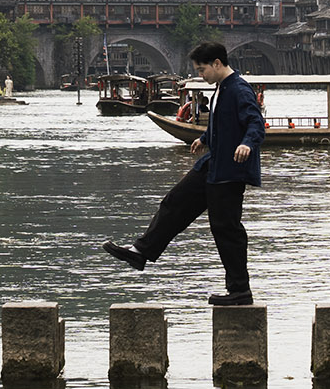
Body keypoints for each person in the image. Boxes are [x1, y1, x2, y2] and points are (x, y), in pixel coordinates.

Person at [103, 41, 265, 306]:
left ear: (217, 63)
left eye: (202, 70)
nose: (201, 75)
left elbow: (255, 122)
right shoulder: (222, 88)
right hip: (213, 165)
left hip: (229, 172)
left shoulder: (239, 89)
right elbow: (223, 124)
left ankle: (239, 291)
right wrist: (204, 138)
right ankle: (141, 251)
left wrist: (247, 143)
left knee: (226, 229)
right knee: (175, 202)